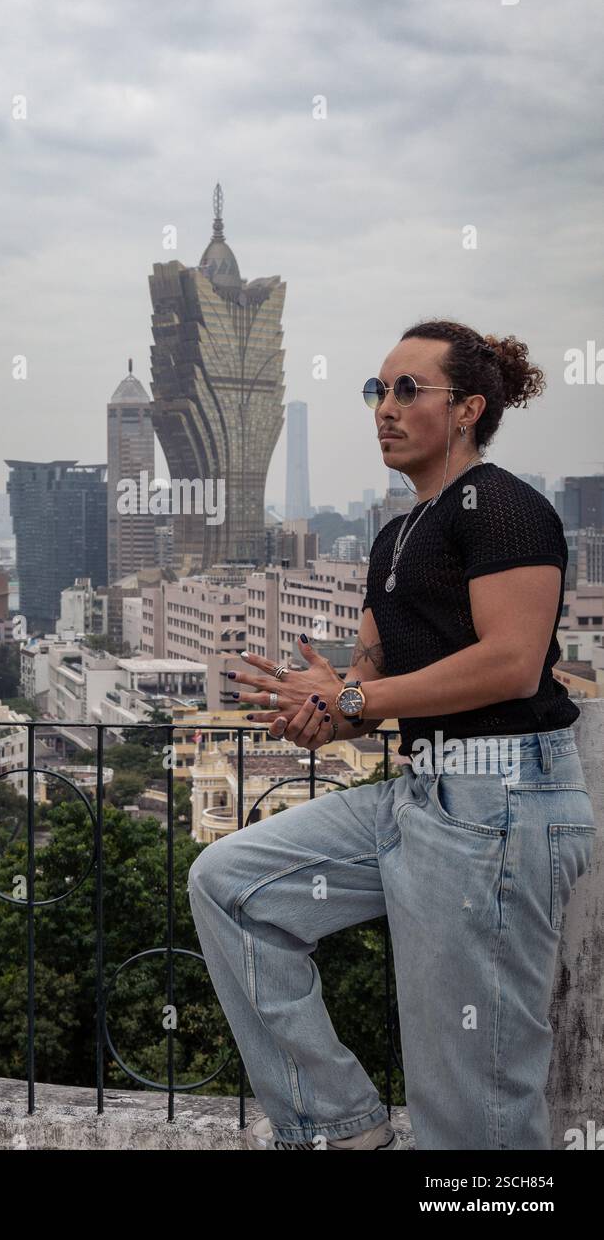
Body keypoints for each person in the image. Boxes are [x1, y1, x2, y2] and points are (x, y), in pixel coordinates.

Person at [187, 319, 596, 1151]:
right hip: (420, 793)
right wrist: (322, 712)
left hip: (500, 801)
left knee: (471, 1098)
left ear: (469, 408)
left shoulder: (504, 508)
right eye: (378, 390)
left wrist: (352, 693)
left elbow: (514, 664)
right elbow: (370, 688)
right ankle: (337, 1126)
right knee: (230, 884)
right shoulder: (395, 535)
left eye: (409, 389)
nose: (385, 407)